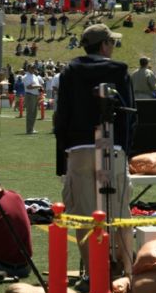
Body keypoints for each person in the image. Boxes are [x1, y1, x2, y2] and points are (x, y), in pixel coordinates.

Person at [54, 23, 135, 278]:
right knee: (120, 212)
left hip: (78, 150)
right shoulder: (119, 70)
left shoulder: (70, 71)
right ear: (104, 45)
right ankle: (128, 272)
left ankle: (93, 273)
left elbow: (62, 117)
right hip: (112, 147)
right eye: (112, 43)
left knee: (84, 215)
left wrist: (63, 158)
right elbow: (129, 115)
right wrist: (126, 149)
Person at [22, 64, 44, 134]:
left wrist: (40, 88)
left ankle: (32, 128)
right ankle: (29, 130)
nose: (34, 69)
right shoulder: (26, 76)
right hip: (30, 95)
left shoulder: (34, 76)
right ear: (28, 68)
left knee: (34, 113)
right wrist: (38, 86)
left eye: (34, 68)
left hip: (35, 95)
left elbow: (37, 85)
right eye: (32, 68)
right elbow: (29, 87)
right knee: (30, 113)